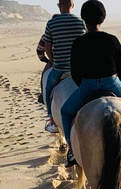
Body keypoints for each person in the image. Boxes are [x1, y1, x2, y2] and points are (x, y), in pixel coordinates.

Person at [60, 0, 121, 166]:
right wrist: (115, 85)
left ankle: (72, 152)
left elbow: (75, 73)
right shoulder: (112, 39)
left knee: (66, 112)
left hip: (87, 85)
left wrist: (85, 85)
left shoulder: (78, 42)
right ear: (102, 18)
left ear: (84, 19)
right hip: (112, 83)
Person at [42, 0, 85, 133]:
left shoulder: (51, 23)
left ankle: (53, 122)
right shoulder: (81, 22)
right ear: (72, 6)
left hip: (60, 69)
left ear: (59, 6)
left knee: (48, 89)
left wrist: (54, 60)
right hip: (79, 69)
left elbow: (47, 48)